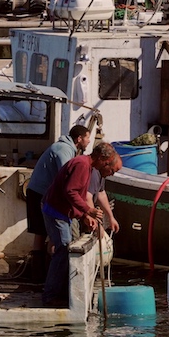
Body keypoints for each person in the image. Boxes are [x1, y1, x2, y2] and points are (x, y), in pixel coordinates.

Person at [40, 143, 122, 307]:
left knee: (64, 250)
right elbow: (70, 191)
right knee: (63, 249)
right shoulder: (82, 165)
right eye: (111, 169)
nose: (110, 173)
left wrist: (83, 215)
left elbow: (72, 193)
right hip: (56, 212)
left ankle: (59, 292)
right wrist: (88, 210)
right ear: (102, 160)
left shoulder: (87, 166)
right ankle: (50, 296)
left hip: (61, 212)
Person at [24, 125, 91, 280]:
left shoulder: (66, 148)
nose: (88, 141)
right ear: (79, 139)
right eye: (87, 137)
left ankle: (41, 274)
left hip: (41, 192)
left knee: (42, 232)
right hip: (39, 193)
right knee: (42, 231)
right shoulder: (63, 150)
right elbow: (68, 177)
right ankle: (42, 274)